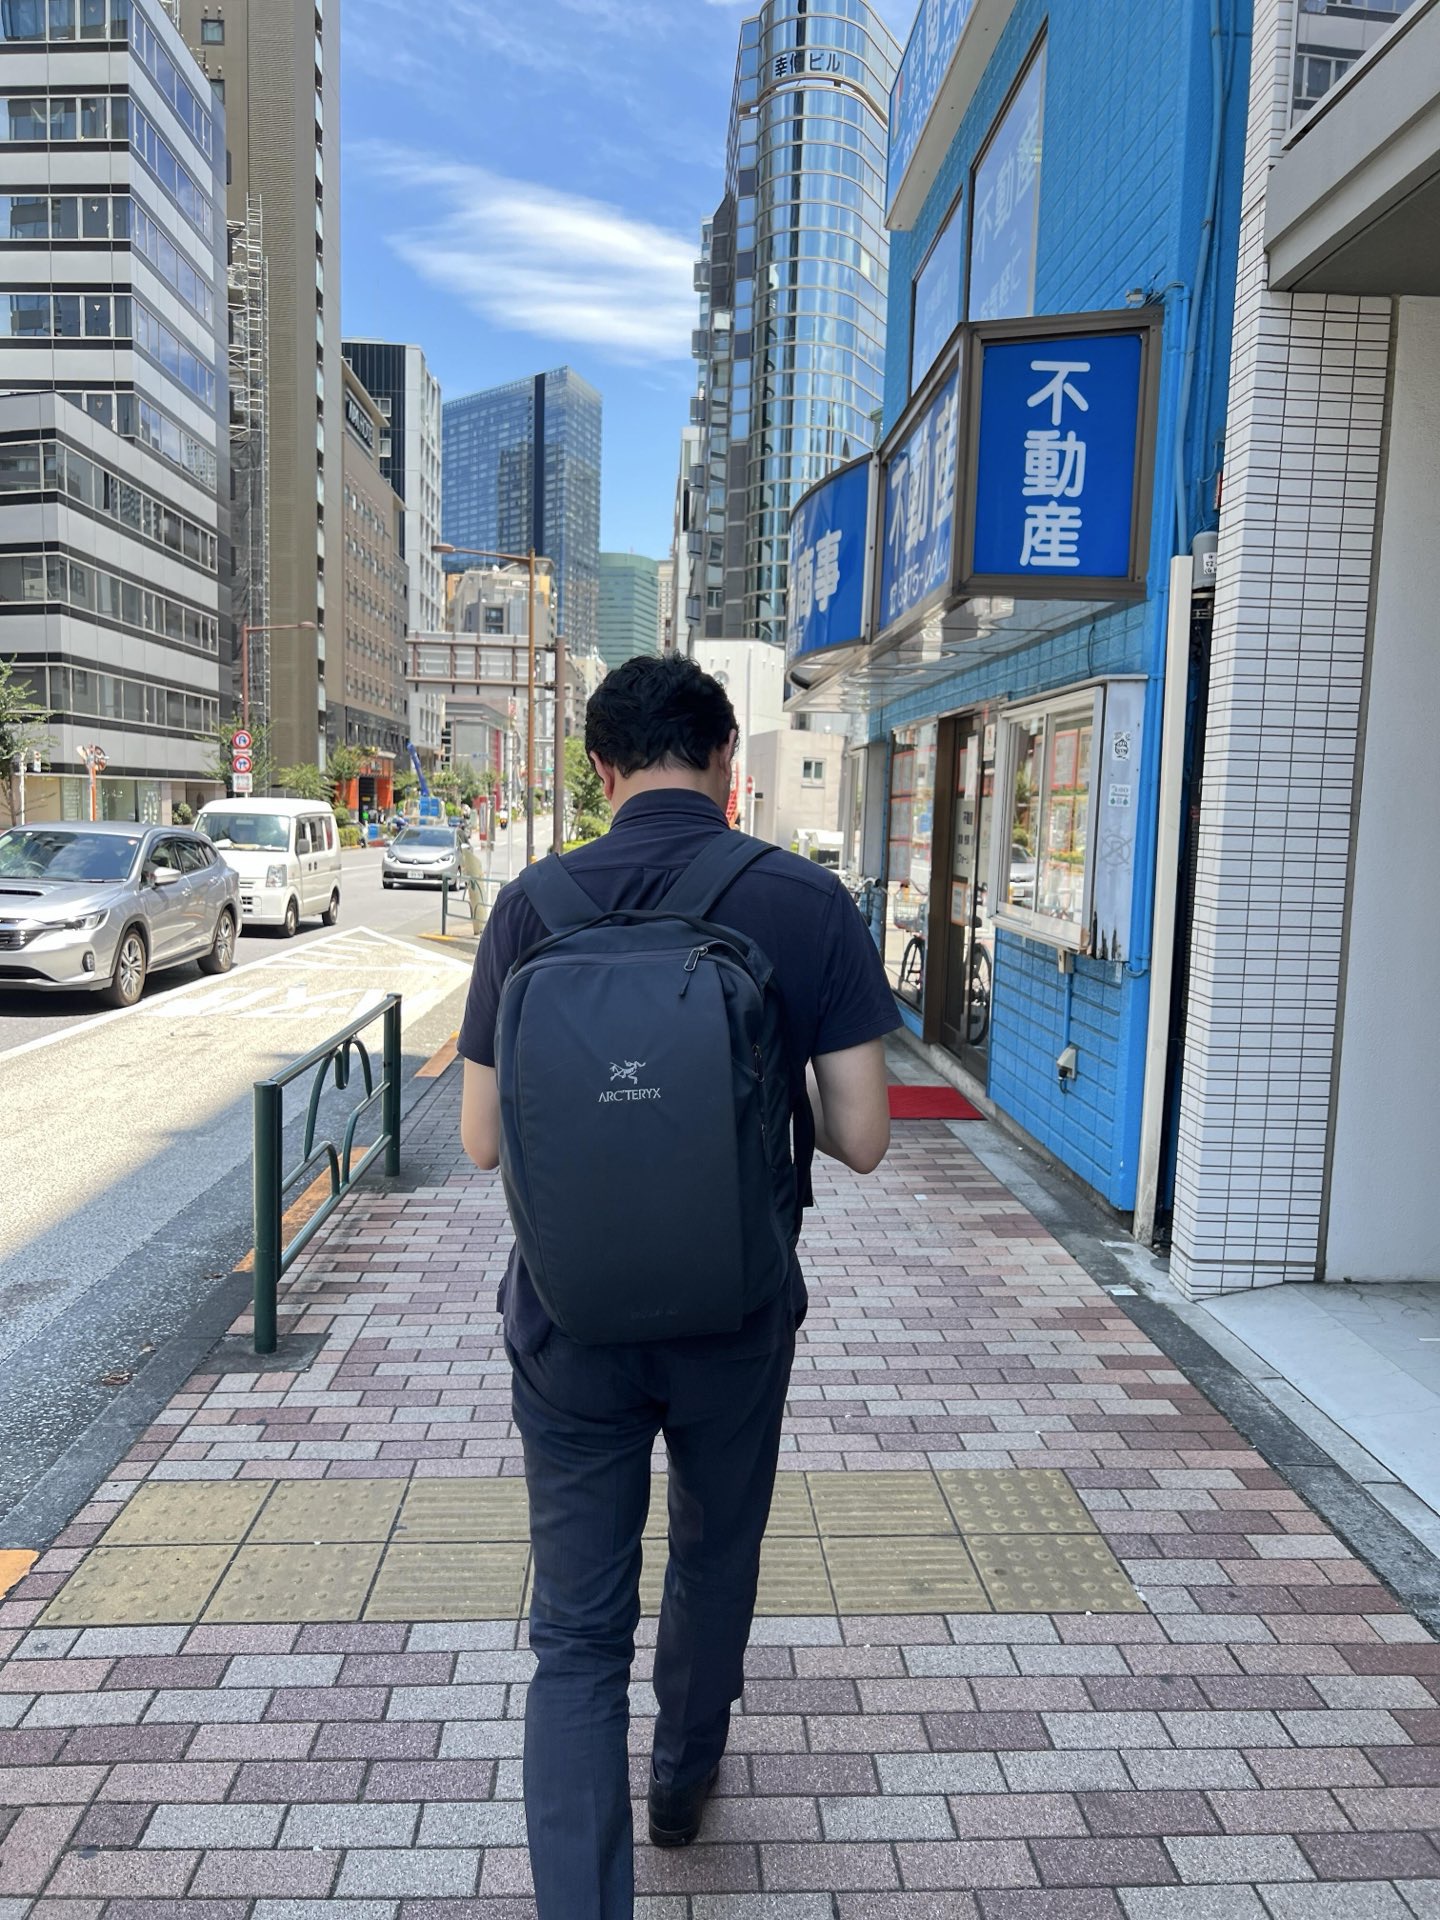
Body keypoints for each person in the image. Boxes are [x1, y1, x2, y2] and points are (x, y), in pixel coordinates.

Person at [456, 653, 899, 1920]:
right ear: (725, 762)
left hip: (570, 1321)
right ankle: (681, 1780)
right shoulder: (804, 900)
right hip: (736, 1313)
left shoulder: (532, 905)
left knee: (575, 1635)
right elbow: (864, 1137)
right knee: (714, 1553)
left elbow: (481, 1140)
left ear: (601, 767)